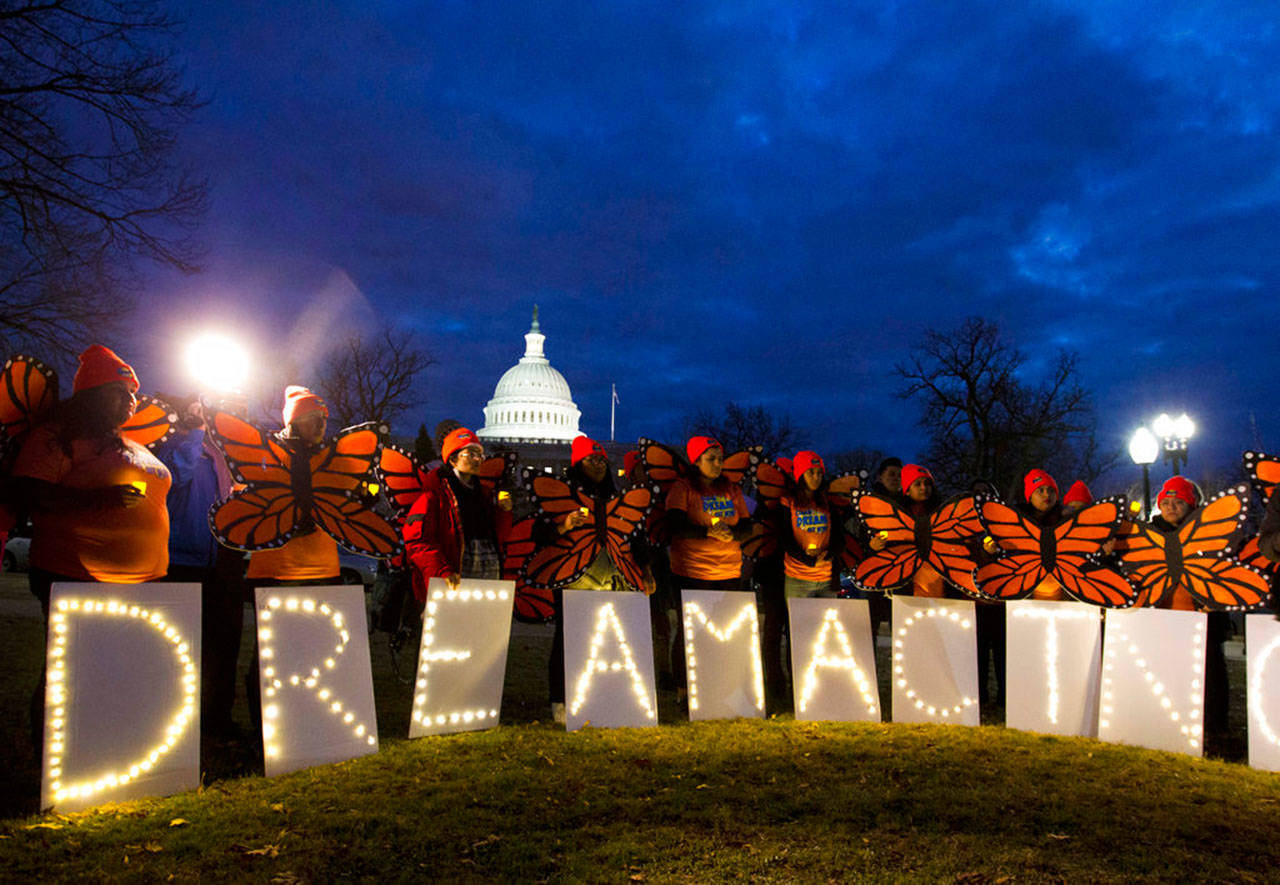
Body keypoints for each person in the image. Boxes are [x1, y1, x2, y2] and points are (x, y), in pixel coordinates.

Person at [9, 345, 172, 748]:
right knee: (73, 672)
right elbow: (27, 492)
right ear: (90, 394)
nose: (129, 400)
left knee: (123, 669)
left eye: (132, 393)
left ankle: (109, 747)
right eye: (118, 391)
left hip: (143, 579)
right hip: (76, 576)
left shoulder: (128, 441)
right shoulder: (58, 436)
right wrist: (98, 501)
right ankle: (55, 756)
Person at [542, 435, 652, 724]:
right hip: (573, 578)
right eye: (593, 459)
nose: (600, 464)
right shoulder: (561, 495)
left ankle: (608, 694)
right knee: (567, 640)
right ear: (578, 464)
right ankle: (560, 699)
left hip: (612, 575)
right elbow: (539, 535)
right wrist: (564, 526)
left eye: (603, 459)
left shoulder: (615, 498)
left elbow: (635, 534)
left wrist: (646, 569)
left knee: (610, 640)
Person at [154, 396, 243, 740]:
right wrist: (195, 432)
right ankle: (174, 725)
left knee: (224, 646)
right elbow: (174, 477)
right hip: (182, 559)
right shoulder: (180, 443)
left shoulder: (229, 454)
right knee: (180, 649)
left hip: (224, 559)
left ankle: (217, 721)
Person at [664, 436, 753, 702]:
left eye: (720, 458)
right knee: (690, 631)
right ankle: (683, 689)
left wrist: (734, 533)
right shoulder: (682, 488)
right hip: (692, 571)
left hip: (728, 571)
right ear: (696, 461)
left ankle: (719, 684)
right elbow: (674, 525)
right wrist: (707, 532)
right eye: (710, 458)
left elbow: (748, 526)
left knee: (725, 632)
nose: (717, 464)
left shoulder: (732, 490)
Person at [1147, 476, 1230, 735]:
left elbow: (1223, 572)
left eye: (1178, 502)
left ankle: (1213, 729)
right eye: (1167, 502)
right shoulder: (1150, 535)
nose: (1171, 507)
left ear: (1191, 506)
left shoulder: (1209, 534)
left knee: (1210, 676)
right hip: (1162, 620)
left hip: (1203, 621)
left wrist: (1216, 600)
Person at [403, 427, 513, 602]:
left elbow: (498, 538)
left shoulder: (484, 495)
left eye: (480, 455)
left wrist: (503, 512)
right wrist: (441, 571)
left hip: (487, 577)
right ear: (453, 459)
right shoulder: (434, 496)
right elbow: (417, 541)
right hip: (451, 580)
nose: (478, 459)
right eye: (471, 454)